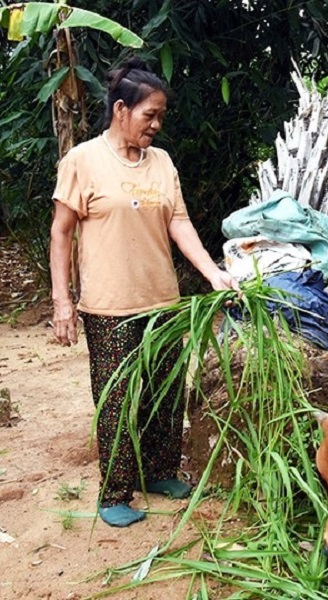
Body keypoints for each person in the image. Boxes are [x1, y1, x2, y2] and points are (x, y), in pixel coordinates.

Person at [49, 57, 237, 527]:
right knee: (116, 401)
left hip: (162, 301)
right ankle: (114, 492)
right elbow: (61, 232)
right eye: (148, 115)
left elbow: (178, 221)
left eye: (160, 116)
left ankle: (159, 472)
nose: (156, 124)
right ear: (120, 110)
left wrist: (213, 272)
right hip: (109, 307)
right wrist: (62, 302)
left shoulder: (163, 163)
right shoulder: (83, 161)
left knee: (164, 395)